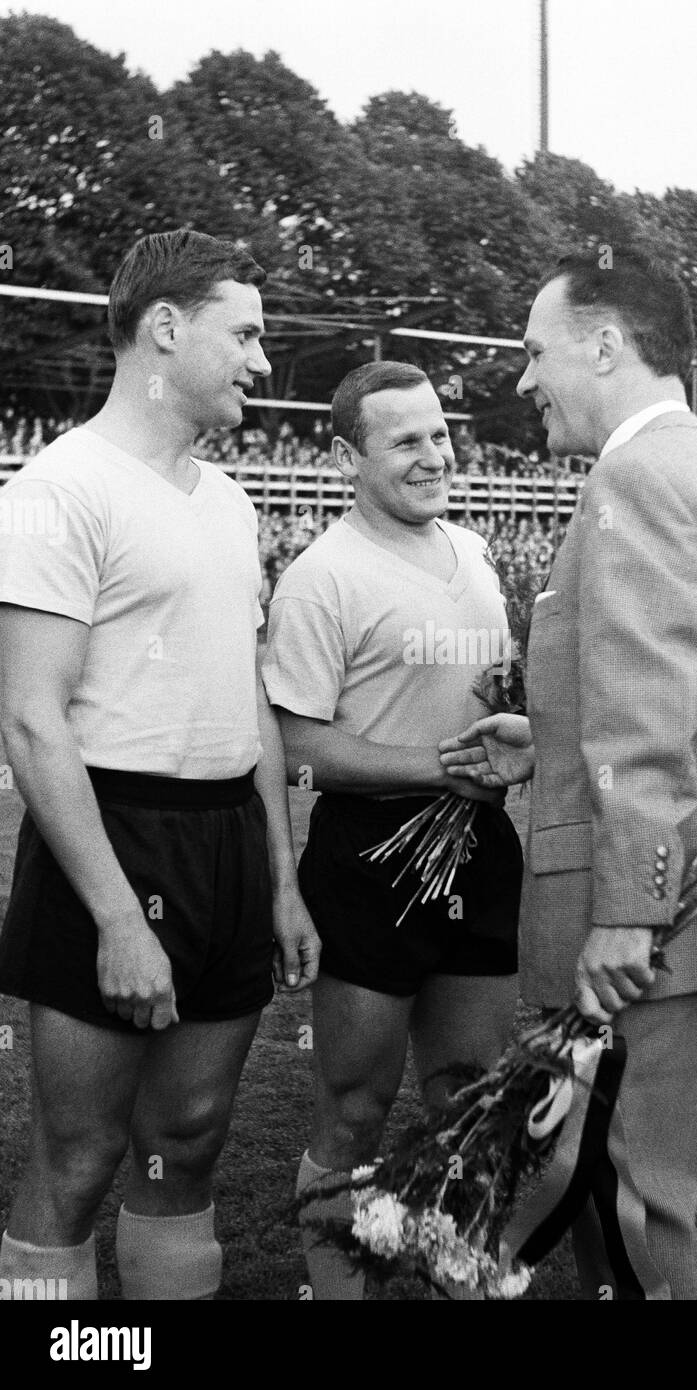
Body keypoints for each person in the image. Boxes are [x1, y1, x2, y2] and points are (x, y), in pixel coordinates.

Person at [441, 246, 697, 1300]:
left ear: (602, 344)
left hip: (654, 928)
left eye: (532, 350)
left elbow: (646, 722)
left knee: (642, 1212)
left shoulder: (633, 476)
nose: (520, 379)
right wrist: (544, 737)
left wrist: (627, 913)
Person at [0, 230, 320, 1300]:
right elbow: (35, 721)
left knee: (186, 1139)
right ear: (166, 329)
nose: (262, 362)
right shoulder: (60, 488)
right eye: (246, 333)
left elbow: (253, 703)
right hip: (114, 834)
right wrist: (117, 919)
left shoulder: (228, 500)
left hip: (228, 835)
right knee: (81, 1157)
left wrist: (279, 882)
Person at [262, 361, 522, 1300]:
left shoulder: (477, 553)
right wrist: (445, 768)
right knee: (356, 1108)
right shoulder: (319, 578)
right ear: (345, 458)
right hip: (370, 860)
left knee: (473, 1098)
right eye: (404, 440)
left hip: (481, 856)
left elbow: (498, 695)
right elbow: (297, 747)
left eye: (439, 433)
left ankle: (463, 1280)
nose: (432, 454)